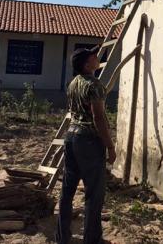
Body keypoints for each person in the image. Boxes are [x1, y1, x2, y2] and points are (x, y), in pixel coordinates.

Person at [56, 47, 116, 244]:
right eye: (93, 56)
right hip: (89, 139)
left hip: (71, 137)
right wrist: (110, 146)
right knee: (94, 193)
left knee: (67, 190)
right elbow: (98, 117)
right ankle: (92, 239)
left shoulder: (73, 83)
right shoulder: (94, 84)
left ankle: (62, 237)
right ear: (86, 64)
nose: (97, 58)